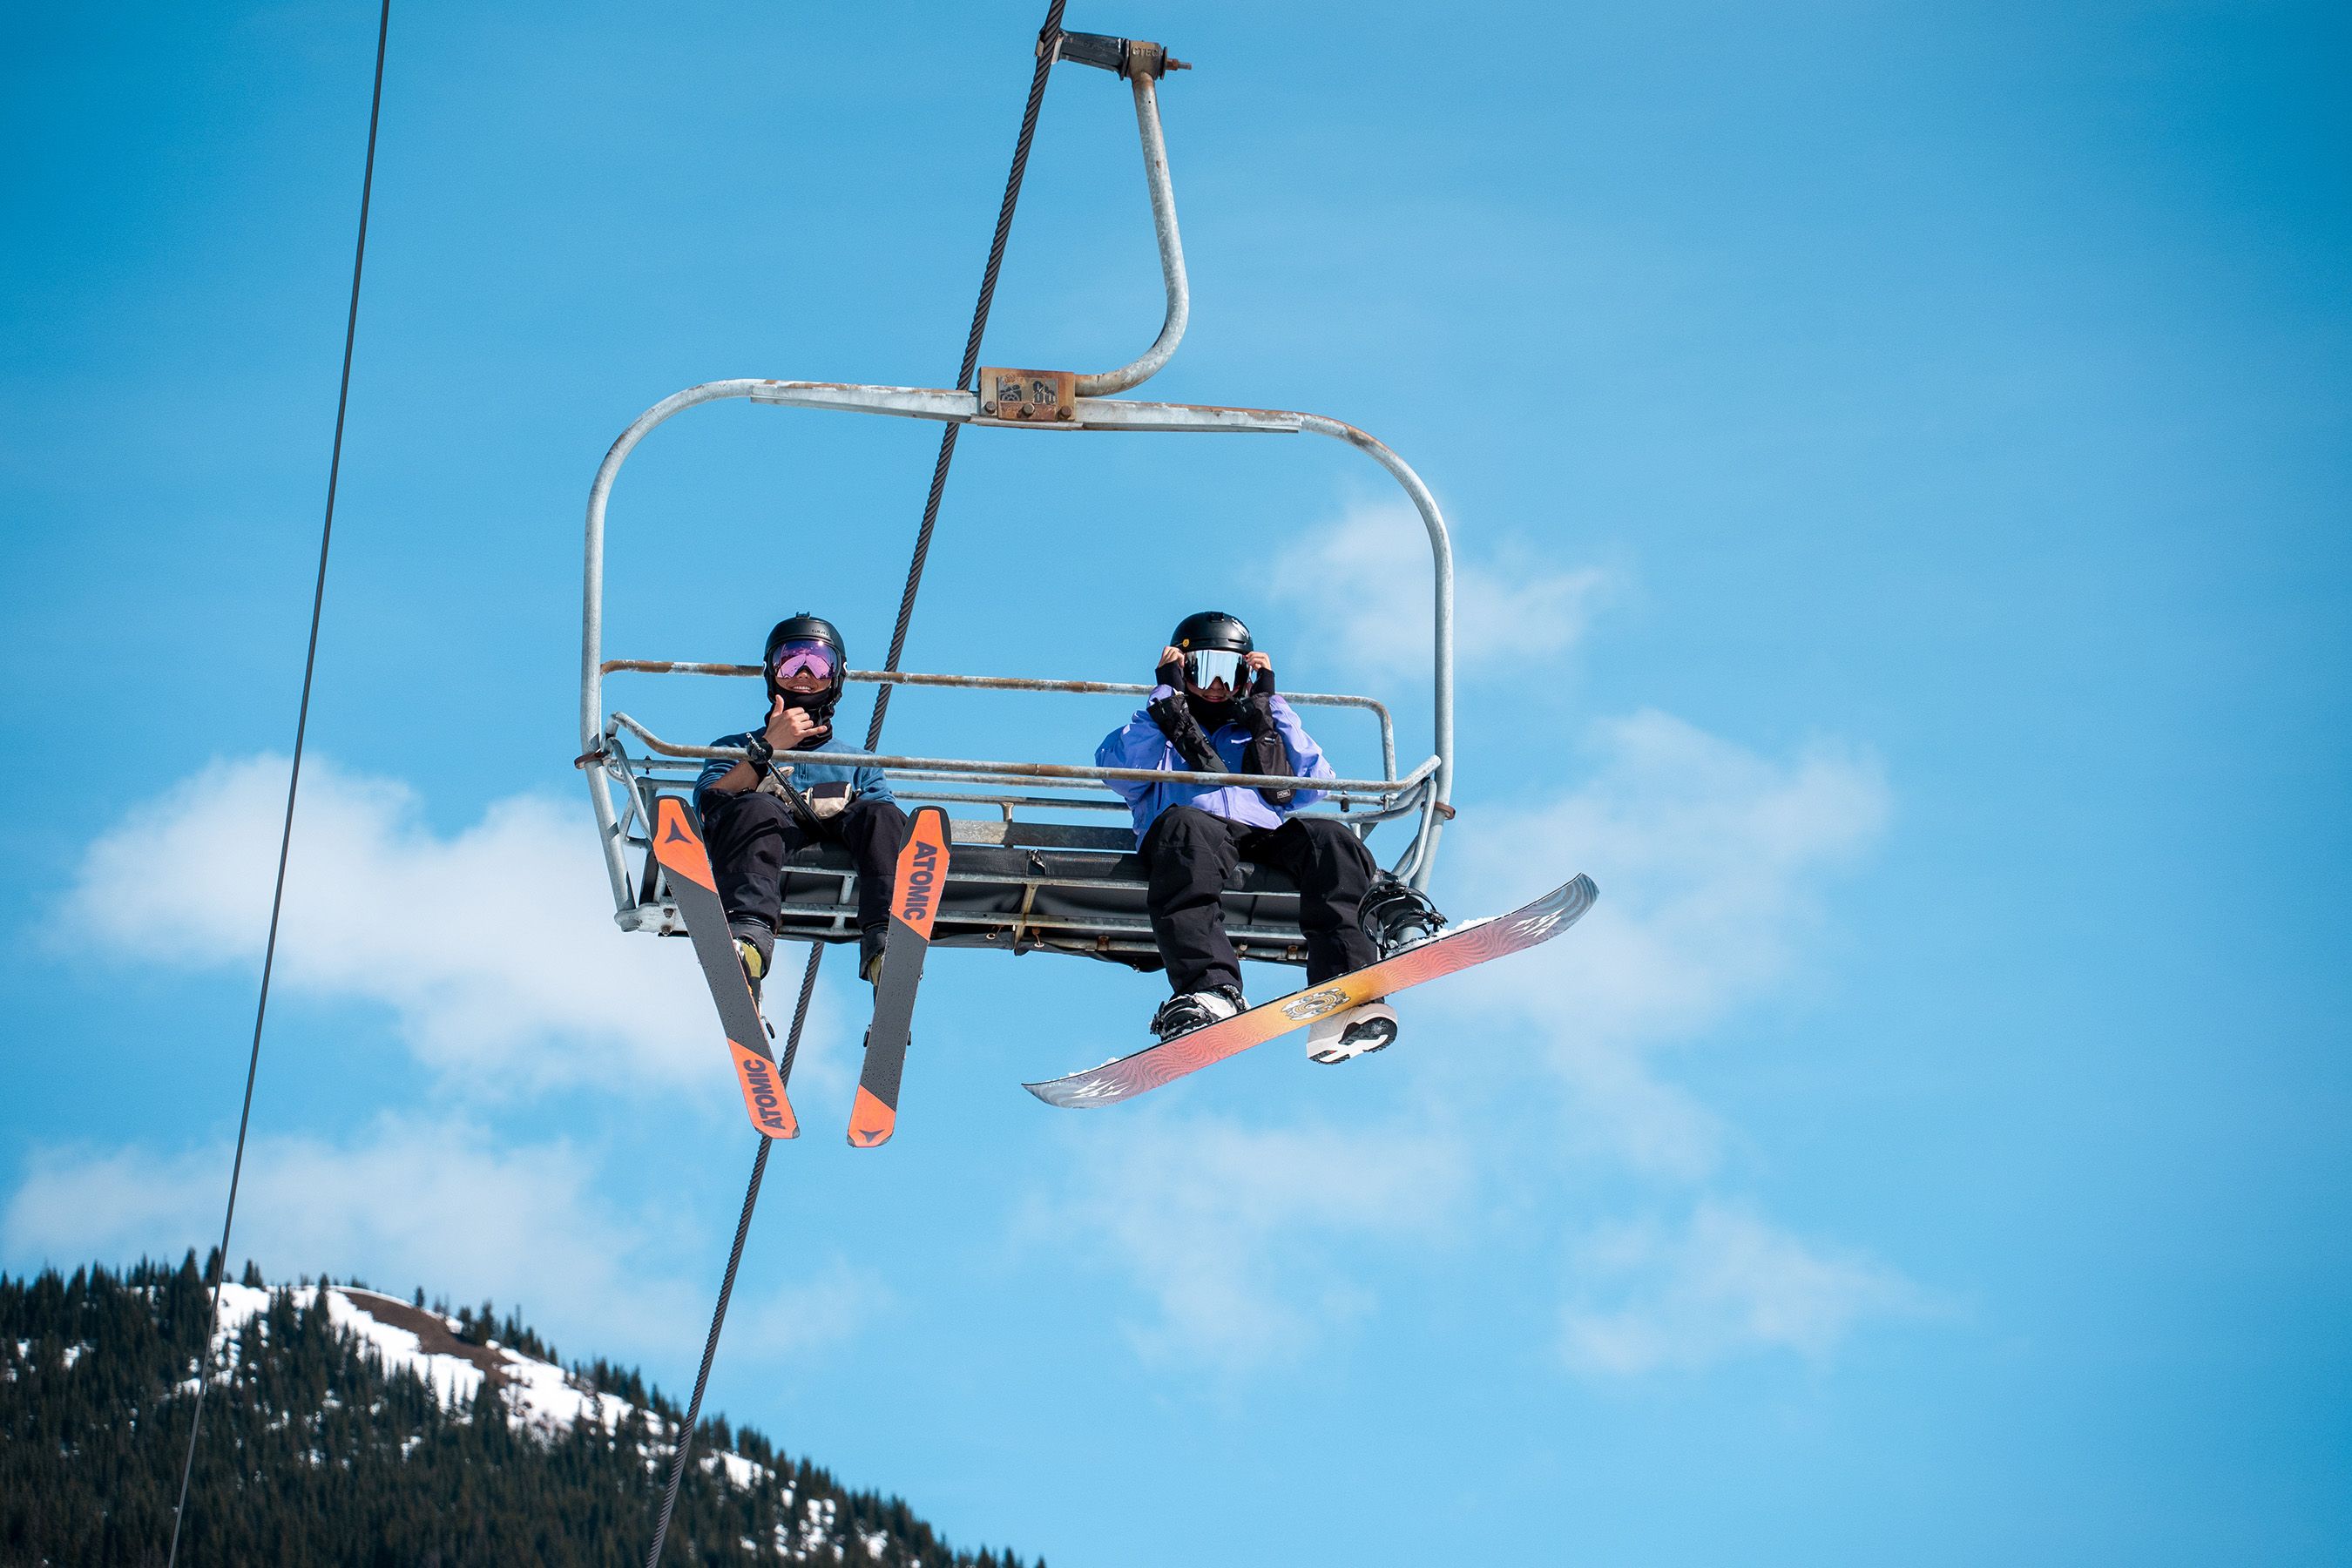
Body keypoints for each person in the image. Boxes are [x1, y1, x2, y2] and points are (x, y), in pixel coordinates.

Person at [1095, 610, 1432, 1061]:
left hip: (1262, 832)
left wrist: (1270, 706)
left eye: (1230, 672)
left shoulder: (1256, 727)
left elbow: (1314, 780)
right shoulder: (1159, 728)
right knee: (1188, 828)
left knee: (1330, 839)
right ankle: (1210, 991)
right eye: (1203, 670)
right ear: (1181, 669)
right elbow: (1121, 772)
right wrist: (1165, 699)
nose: (1217, 686)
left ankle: (1347, 987)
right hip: (1193, 831)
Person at [694, 614, 909, 997]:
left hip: (842, 838)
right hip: (765, 834)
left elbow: (886, 828)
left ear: (837, 676)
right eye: (791, 661)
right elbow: (711, 808)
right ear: (771, 673)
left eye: (819, 663)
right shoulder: (734, 747)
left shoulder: (858, 763)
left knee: (881, 815)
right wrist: (765, 753)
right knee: (754, 809)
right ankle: (749, 942)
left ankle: (887, 947)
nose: (804, 674)